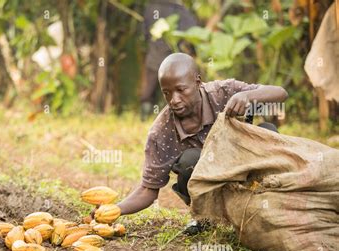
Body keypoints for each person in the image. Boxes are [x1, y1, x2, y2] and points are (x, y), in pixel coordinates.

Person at [114, 53, 288, 234]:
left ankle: (268, 205)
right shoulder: (161, 132)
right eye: (167, 93)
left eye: (181, 90)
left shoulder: (224, 92)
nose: (174, 99)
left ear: (198, 83)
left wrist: (248, 96)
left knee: (267, 130)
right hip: (211, 190)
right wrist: (115, 209)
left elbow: (281, 93)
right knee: (189, 160)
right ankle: (205, 218)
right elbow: (147, 190)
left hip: (246, 172)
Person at [140, 0, 197, 120]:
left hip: (154, 55)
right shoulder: (179, 10)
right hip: (173, 61)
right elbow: (192, 32)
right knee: (171, 92)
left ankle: (144, 118)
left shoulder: (151, 7)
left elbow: (144, 32)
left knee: (149, 89)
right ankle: (164, 119)